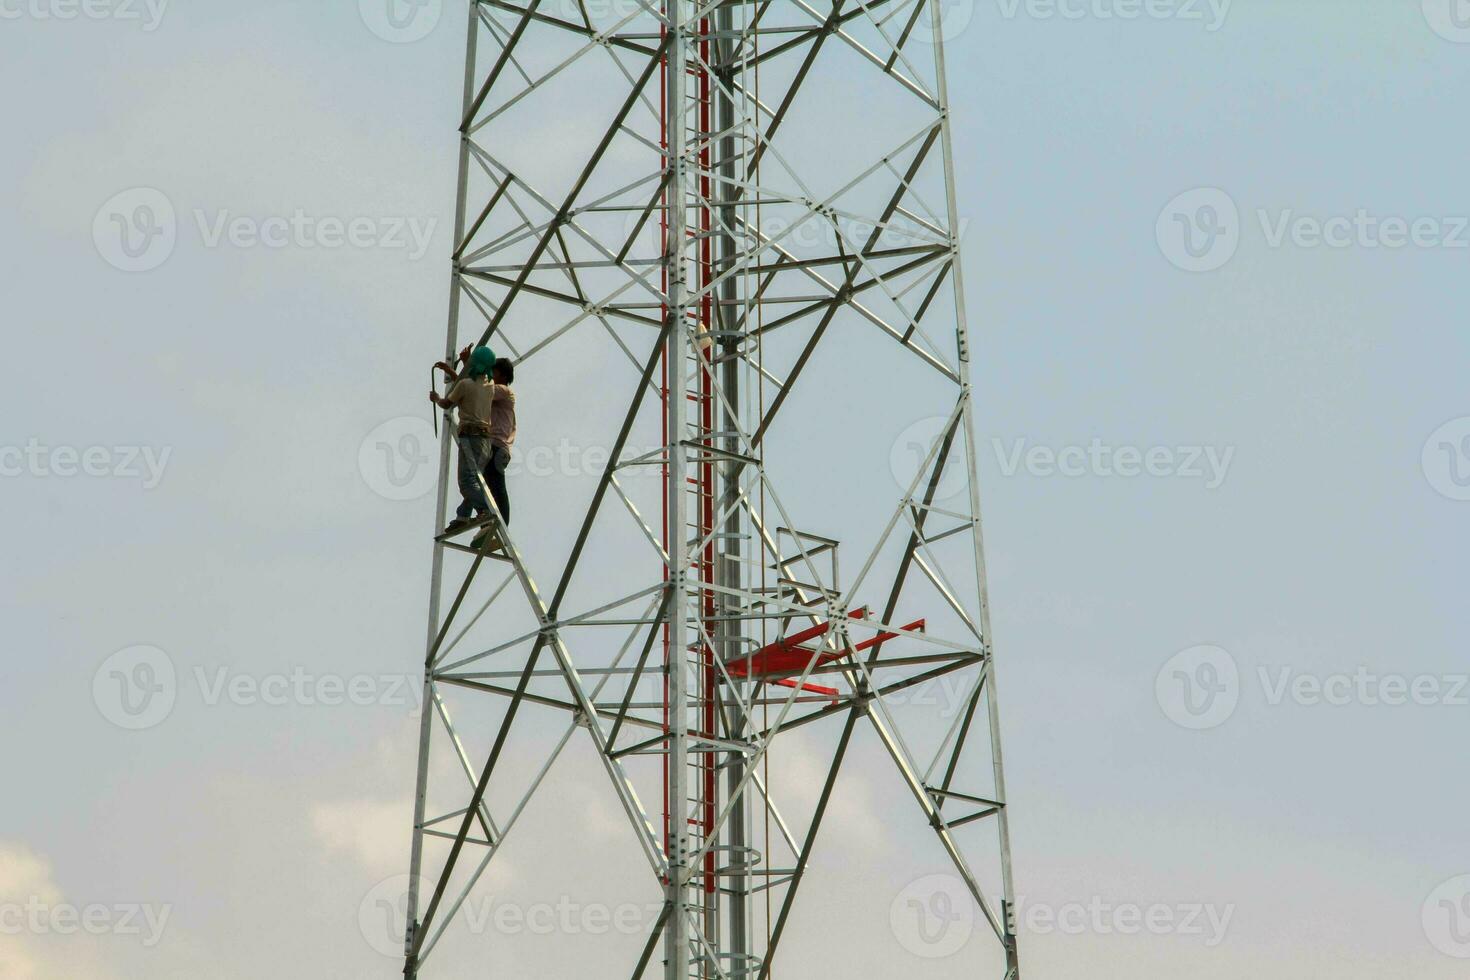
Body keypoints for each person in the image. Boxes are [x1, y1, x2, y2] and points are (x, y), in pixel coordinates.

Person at [429, 346, 517, 539]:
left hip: (495, 445)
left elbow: (476, 387)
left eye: (492, 370)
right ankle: (464, 515)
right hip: (489, 443)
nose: (489, 374)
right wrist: (456, 372)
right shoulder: (489, 388)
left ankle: (498, 523)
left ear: (500, 374)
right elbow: (474, 386)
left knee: (489, 485)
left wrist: (469, 365)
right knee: (477, 481)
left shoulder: (503, 390)